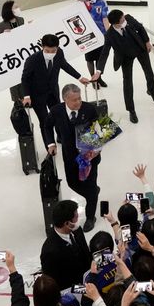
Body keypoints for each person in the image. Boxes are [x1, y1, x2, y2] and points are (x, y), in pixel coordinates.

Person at [21, 33, 90, 151]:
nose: (51, 53)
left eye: (53, 50)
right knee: (44, 121)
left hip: (53, 91)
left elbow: (65, 65)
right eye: (47, 50)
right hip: (37, 95)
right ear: (42, 47)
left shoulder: (59, 53)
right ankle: (49, 145)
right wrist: (27, 96)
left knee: (59, 116)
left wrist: (79, 77)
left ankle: (61, 137)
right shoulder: (32, 60)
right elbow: (25, 78)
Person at [47, 84, 102, 230]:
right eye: (74, 100)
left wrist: (98, 145)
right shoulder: (56, 111)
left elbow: (103, 127)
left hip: (89, 157)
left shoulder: (89, 109)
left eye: (79, 99)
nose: (78, 102)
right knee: (72, 183)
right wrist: (51, 143)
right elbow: (47, 126)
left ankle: (90, 216)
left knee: (90, 188)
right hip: (70, 156)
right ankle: (93, 193)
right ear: (65, 100)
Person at [95, 8, 154, 123]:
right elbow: (104, 53)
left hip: (140, 49)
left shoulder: (129, 19)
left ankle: (152, 91)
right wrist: (98, 71)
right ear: (116, 23)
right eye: (122, 18)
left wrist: (147, 41)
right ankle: (131, 110)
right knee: (127, 82)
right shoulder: (110, 35)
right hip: (125, 57)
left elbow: (140, 28)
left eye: (124, 16)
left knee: (149, 72)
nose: (124, 18)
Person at [39, 199, 90, 288]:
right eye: (76, 217)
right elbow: (53, 283)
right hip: (72, 291)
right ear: (67, 223)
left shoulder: (77, 230)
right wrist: (82, 289)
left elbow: (86, 254)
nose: (78, 219)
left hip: (88, 281)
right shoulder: (50, 251)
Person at [81, 0, 111, 90]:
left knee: (100, 57)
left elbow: (105, 18)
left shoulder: (102, 2)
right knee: (89, 59)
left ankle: (98, 78)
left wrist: (108, 33)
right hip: (88, 36)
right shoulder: (82, 3)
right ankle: (92, 78)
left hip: (101, 34)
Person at [0, 0, 27, 101]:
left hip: (22, 52)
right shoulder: (1, 25)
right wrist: (3, 36)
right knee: (14, 78)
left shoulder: (21, 20)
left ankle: (25, 97)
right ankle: (16, 100)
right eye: (15, 7)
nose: (18, 8)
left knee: (24, 76)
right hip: (10, 55)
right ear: (9, 10)